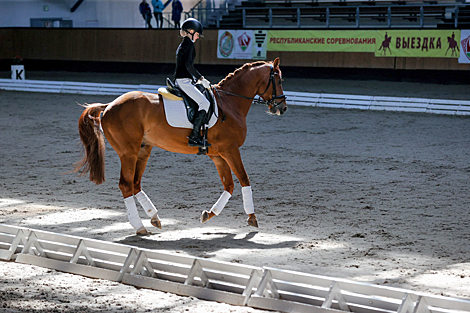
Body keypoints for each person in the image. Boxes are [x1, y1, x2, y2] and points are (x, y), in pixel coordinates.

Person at [174, 18, 211, 148]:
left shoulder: (185, 43)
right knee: (205, 103)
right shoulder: (188, 44)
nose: (198, 37)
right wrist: (201, 79)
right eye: (197, 34)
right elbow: (189, 66)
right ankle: (194, 137)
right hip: (183, 80)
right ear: (190, 31)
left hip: (185, 79)